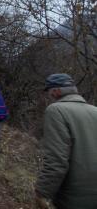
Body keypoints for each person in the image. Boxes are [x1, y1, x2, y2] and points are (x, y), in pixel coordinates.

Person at [35, 73, 97, 209]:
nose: (49, 96)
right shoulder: (94, 110)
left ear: (56, 91)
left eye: (49, 92)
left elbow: (56, 160)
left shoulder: (56, 110)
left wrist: (42, 192)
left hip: (75, 195)